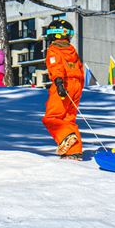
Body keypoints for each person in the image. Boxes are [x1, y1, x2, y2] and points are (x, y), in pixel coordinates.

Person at [41, 19, 84, 160]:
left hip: (63, 85)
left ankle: (65, 135)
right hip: (76, 86)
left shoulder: (53, 50)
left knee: (51, 118)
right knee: (68, 119)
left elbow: (56, 67)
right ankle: (73, 151)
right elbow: (80, 69)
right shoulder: (72, 51)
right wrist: (78, 89)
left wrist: (59, 84)